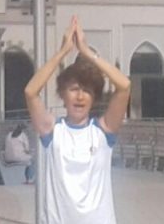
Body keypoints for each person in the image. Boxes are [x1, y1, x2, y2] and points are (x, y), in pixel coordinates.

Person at [25, 16, 131, 224]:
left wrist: (86, 52)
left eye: (87, 91)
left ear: (94, 98)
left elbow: (124, 86)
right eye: (74, 89)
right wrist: (63, 51)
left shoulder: (103, 131)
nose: (80, 96)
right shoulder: (52, 131)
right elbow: (31, 92)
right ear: (63, 95)